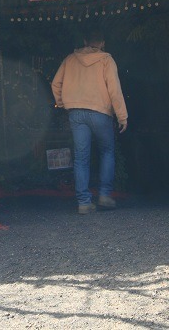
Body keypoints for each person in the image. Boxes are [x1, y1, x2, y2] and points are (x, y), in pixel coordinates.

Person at [51, 29, 128, 214]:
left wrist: (63, 103)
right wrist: (122, 115)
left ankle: (84, 202)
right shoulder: (106, 59)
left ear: (85, 41)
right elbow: (114, 90)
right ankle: (104, 196)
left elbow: (55, 84)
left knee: (81, 157)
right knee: (107, 151)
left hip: (76, 113)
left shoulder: (70, 59)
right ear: (103, 43)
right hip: (100, 112)